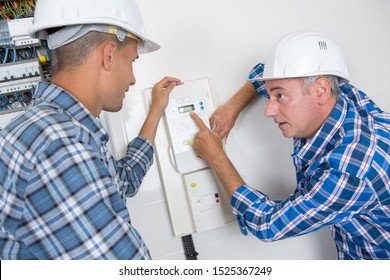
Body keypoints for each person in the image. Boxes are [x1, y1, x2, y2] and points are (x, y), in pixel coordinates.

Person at [0, 0, 181, 259]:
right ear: (108, 55)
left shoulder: (55, 129)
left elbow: (122, 182)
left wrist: (155, 112)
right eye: (132, 61)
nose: (133, 78)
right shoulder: (60, 145)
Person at [190, 31, 390, 259]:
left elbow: (268, 224)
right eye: (270, 95)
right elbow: (266, 74)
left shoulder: (350, 172)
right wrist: (232, 107)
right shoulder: (342, 95)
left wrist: (216, 156)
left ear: (320, 91)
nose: (269, 110)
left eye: (280, 97)